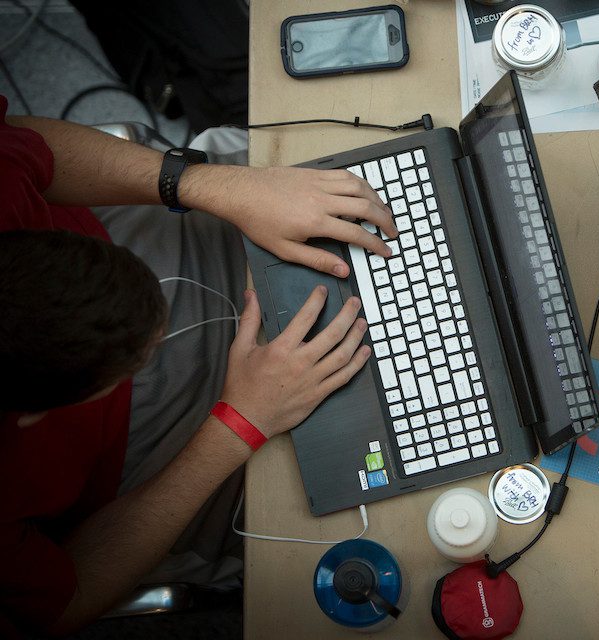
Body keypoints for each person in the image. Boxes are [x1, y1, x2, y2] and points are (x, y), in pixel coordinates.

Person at [0, 95, 397, 635]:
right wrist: (239, 424)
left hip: (138, 222)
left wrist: (214, 187)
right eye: (142, 355)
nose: (163, 337)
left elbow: (25, 144)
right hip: (153, 461)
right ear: (27, 415)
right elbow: (67, 597)